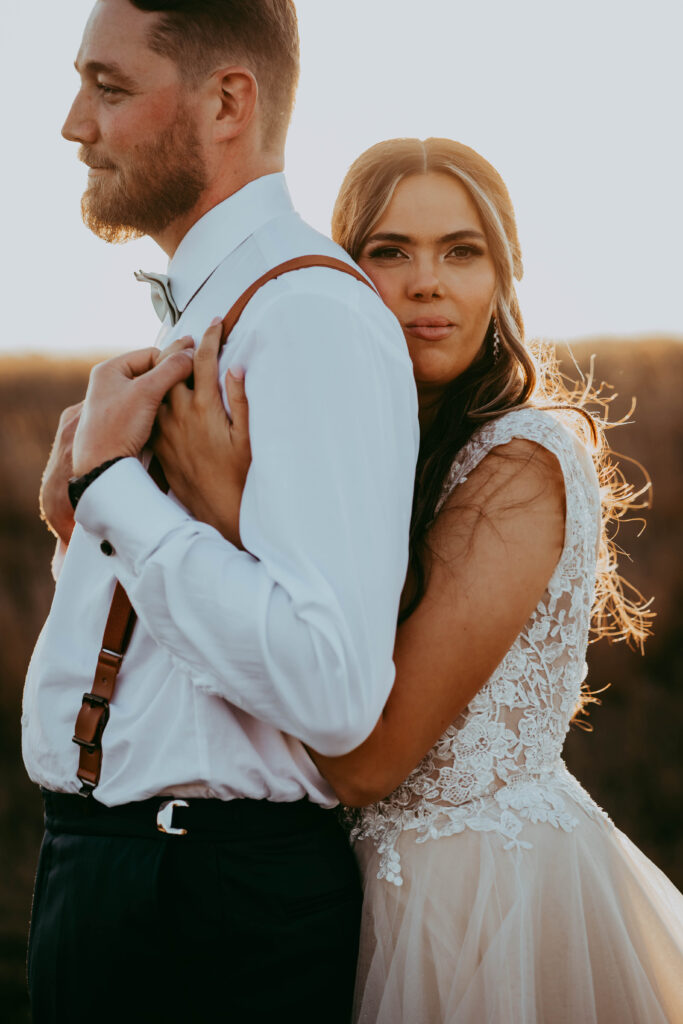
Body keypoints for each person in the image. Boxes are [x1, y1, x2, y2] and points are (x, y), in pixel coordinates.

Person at [152, 137, 683, 1023]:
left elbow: (369, 761)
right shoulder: (364, 455)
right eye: (388, 251)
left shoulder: (521, 465)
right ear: (343, 274)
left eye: (461, 252)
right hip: (337, 903)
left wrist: (229, 515)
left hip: (485, 909)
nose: (426, 282)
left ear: (502, 277)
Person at [23, 2, 418, 1022]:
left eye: (108, 88)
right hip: (130, 882)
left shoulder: (305, 318)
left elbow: (329, 686)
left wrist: (112, 488)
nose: (74, 123)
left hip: (204, 916)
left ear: (227, 101)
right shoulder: (216, 304)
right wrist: (84, 529)